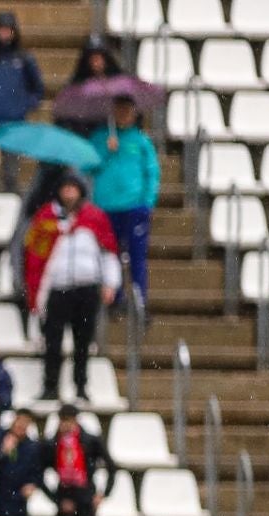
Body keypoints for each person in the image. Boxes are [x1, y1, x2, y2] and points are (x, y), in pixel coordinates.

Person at [26, 172, 121, 402]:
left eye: (73, 188)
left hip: (86, 288)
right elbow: (33, 252)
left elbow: (109, 251)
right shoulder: (47, 217)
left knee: (83, 341)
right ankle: (50, 386)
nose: (69, 193)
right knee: (53, 341)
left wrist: (110, 283)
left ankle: (81, 386)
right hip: (58, 287)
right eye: (65, 188)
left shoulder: (94, 217)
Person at [90, 96, 160, 305]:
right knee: (111, 255)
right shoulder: (100, 138)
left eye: (127, 111)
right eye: (119, 110)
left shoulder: (140, 141)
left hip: (134, 207)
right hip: (106, 206)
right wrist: (106, 152)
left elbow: (152, 172)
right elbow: (89, 167)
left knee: (136, 256)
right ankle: (115, 297)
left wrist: (147, 202)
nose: (123, 115)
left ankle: (140, 300)